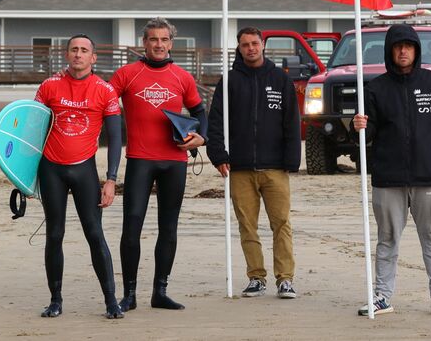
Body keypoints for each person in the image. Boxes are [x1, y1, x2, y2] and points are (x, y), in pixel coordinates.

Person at [351, 24, 431, 317]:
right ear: (390, 51)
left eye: (408, 46)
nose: (403, 51)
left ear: (416, 50)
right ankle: (381, 296)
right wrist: (357, 127)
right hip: (387, 178)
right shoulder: (376, 89)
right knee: (387, 238)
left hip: (429, 176)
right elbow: (366, 137)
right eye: (397, 46)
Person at [109, 17, 208, 312]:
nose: (159, 45)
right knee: (132, 227)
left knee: (169, 228)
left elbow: (200, 111)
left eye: (164, 40)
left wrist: (200, 138)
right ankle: (129, 294)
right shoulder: (127, 73)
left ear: (171, 43)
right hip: (140, 159)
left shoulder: (181, 76)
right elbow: (102, 101)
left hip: (175, 161)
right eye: (153, 39)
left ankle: (160, 292)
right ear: (144, 43)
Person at [33, 34, 124, 319]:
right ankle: (55, 300)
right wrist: (24, 177)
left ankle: (111, 301)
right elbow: (32, 131)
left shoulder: (105, 91)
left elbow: (115, 137)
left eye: (84, 50)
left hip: (84, 169)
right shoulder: (49, 86)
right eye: (74, 49)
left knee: (95, 234)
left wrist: (110, 179)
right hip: (51, 169)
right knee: (55, 234)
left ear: (93, 58)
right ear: (66, 54)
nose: (78, 54)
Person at [207, 27, 301, 299]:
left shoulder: (280, 80)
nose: (251, 48)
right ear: (239, 48)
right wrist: (218, 155)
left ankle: (285, 279)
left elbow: (291, 122)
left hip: (275, 168)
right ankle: (256, 277)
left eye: (255, 43)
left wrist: (291, 160)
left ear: (262, 45)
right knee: (247, 225)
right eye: (245, 44)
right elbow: (216, 122)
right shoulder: (230, 81)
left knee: (281, 223)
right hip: (240, 167)